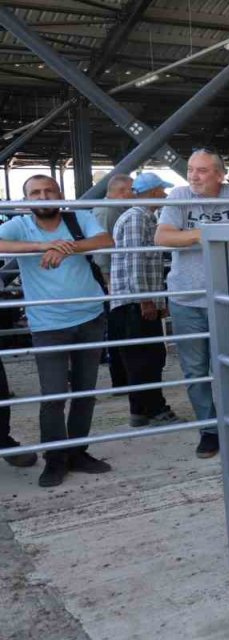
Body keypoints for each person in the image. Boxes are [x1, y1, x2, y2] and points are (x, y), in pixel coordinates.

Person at [0, 175, 115, 487]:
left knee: (84, 392)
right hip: (47, 324)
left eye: (49, 190)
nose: (43, 196)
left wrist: (66, 248)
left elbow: (106, 241)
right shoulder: (20, 226)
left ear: (59, 194)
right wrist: (41, 245)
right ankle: (55, 459)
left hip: (89, 317)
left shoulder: (78, 218)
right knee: (53, 396)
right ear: (26, 200)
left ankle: (77, 452)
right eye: (35, 192)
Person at [156, 149, 229, 459]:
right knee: (195, 370)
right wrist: (204, 234)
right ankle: (209, 430)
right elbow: (162, 237)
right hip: (186, 297)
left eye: (202, 171)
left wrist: (196, 235)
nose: (193, 176)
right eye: (191, 170)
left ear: (219, 174)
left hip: (226, 294)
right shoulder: (178, 195)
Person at [109, 172, 180, 428]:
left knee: (145, 356)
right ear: (152, 191)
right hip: (134, 301)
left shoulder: (142, 217)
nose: (164, 194)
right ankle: (154, 408)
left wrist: (155, 301)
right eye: (161, 190)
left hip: (134, 300)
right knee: (145, 358)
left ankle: (140, 410)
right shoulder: (138, 218)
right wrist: (146, 300)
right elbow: (135, 260)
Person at [93, 174, 133, 393]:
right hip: (108, 277)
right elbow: (103, 250)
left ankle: (122, 376)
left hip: (110, 275)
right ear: (123, 191)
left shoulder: (111, 209)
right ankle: (120, 378)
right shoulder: (108, 211)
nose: (135, 194)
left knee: (119, 325)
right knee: (117, 325)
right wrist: (108, 280)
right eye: (132, 190)